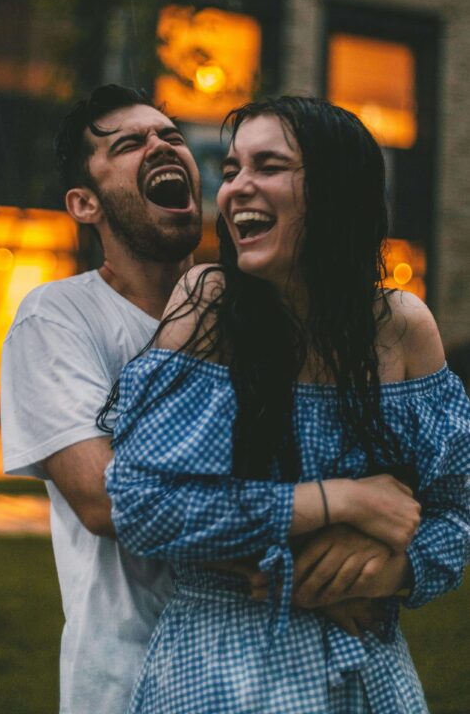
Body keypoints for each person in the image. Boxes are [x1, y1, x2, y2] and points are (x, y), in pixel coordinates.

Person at [106, 96, 470, 713]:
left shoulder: (402, 326)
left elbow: (456, 510)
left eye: (268, 166)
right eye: (232, 170)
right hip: (222, 674)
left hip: (368, 676)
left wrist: (389, 570)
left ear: (333, 192)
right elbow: (142, 504)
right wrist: (342, 501)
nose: (237, 190)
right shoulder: (211, 304)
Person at [0, 84, 203, 714]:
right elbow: (107, 500)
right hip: (128, 681)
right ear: (84, 203)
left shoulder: (257, 313)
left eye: (170, 135)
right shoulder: (57, 318)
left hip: (265, 672)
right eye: (129, 143)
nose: (162, 145)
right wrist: (316, 508)